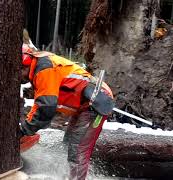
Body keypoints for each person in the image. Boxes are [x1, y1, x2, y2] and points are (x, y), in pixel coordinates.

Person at [19, 44, 114, 180]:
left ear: (25, 62)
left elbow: (46, 107)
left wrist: (25, 131)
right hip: (82, 107)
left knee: (77, 148)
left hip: (95, 102)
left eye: (19, 70)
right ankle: (69, 176)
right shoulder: (39, 69)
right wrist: (26, 128)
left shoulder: (44, 69)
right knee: (68, 143)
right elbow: (39, 105)